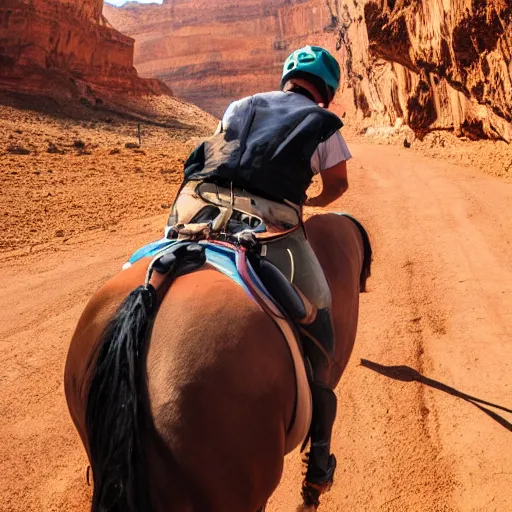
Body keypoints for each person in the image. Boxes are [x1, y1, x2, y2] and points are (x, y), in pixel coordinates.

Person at [167, 45, 352, 491]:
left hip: (196, 206)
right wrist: (307, 202)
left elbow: (218, 148)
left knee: (155, 264)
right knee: (319, 313)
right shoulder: (322, 123)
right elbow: (339, 184)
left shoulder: (240, 104)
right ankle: (320, 455)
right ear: (324, 92)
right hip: (270, 222)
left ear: (286, 78)